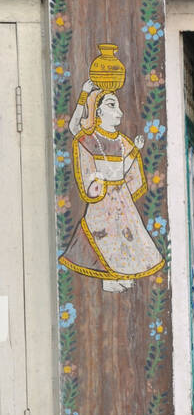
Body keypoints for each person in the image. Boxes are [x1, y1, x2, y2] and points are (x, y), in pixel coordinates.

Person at [59, 85, 165, 290]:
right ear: (98, 111)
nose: (120, 112)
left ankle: (119, 274)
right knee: (103, 236)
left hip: (121, 198)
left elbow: (125, 171)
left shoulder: (122, 142)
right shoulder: (90, 138)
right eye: (111, 106)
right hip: (102, 199)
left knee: (126, 237)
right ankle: (108, 280)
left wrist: (135, 151)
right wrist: (83, 94)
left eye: (118, 106)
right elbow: (74, 127)